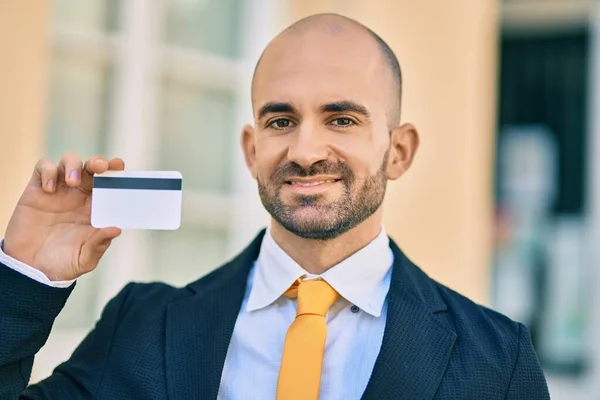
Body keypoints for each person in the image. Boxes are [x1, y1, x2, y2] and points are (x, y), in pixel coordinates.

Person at [0, 13, 549, 400]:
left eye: (342, 119)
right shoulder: (144, 327)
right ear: (251, 148)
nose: (306, 151)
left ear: (398, 151)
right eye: (281, 121)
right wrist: (26, 275)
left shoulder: (495, 361)